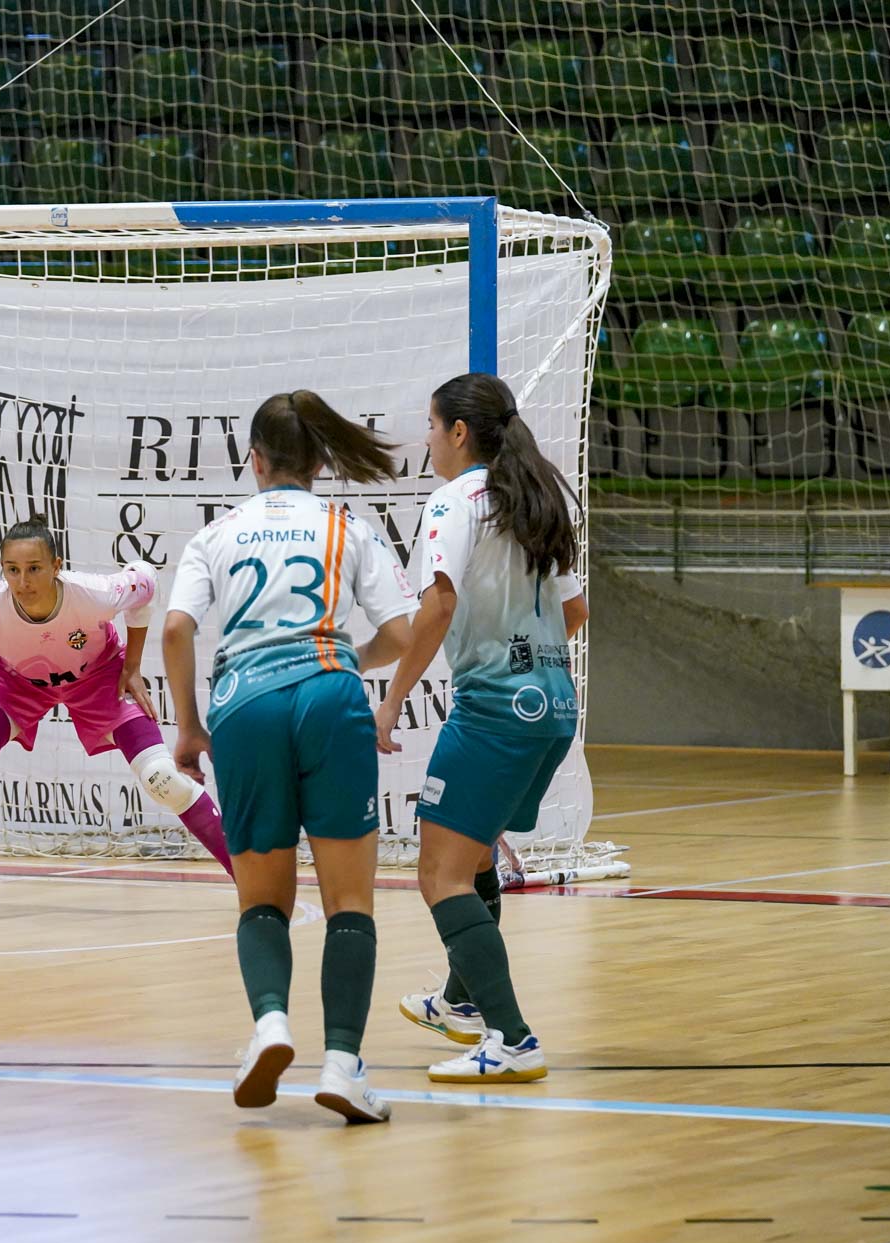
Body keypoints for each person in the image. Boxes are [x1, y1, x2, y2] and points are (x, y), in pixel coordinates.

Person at [164, 390, 415, 1122]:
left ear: (255, 461)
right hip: (329, 695)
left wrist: (189, 726)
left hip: (244, 704)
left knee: (262, 900)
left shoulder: (218, 533)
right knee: (349, 902)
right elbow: (401, 634)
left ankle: (271, 1022)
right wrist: (346, 660)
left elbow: (175, 629)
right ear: (319, 463)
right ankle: (342, 1064)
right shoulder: (348, 528)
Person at [374, 372, 589, 1085]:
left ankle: (513, 1039)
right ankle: (460, 1002)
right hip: (552, 706)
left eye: (431, 426)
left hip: (495, 711)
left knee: (437, 874)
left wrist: (391, 700)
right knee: (469, 860)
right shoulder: (533, 497)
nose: (427, 439)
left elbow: (436, 608)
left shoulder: (453, 500)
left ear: (459, 432)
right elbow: (575, 611)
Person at [0, 514, 232, 921]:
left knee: (163, 779)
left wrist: (133, 665)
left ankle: (246, 875)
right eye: (12, 570)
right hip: (15, 681)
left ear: (56, 565)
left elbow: (145, 581)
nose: (23, 581)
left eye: (34, 569)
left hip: (98, 677)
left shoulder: (93, 594)